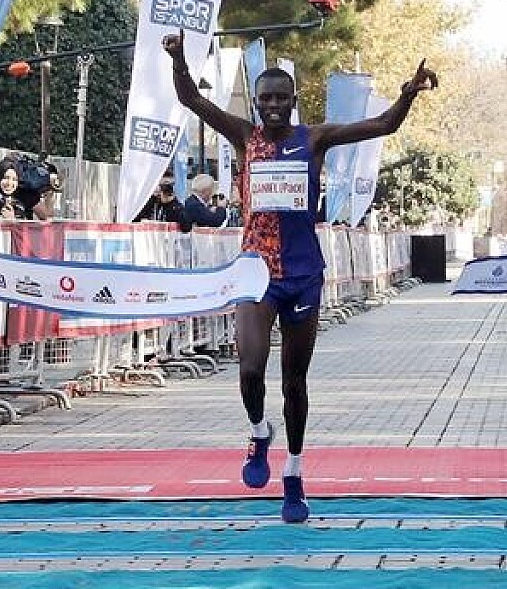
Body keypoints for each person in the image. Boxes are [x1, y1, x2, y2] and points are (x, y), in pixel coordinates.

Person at [163, 27, 437, 523]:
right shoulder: (243, 135)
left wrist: (408, 93)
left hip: (305, 273)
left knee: (294, 381)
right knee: (250, 369)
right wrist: (179, 59)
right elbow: (190, 100)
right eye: (264, 98)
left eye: (280, 98)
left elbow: (383, 125)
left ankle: (293, 472)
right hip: (257, 271)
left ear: (293, 101)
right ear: (257, 102)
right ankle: (258, 431)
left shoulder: (314, 139)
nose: (272, 105)